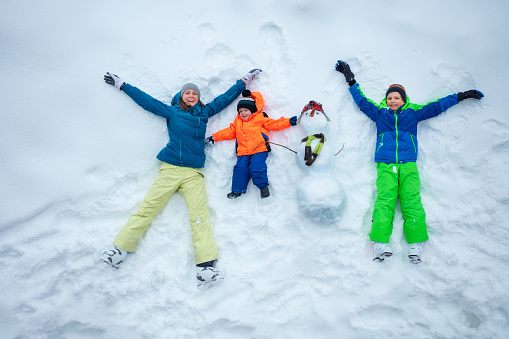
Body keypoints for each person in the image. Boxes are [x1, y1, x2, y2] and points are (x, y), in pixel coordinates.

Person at [100, 68, 262, 287]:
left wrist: (243, 82)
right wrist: (123, 85)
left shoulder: (205, 112)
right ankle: (119, 250)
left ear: (198, 98)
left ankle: (205, 268)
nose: (192, 96)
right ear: (181, 96)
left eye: (194, 93)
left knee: (199, 216)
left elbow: (224, 99)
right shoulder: (173, 112)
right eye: (188, 93)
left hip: (194, 173)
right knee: (148, 208)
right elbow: (147, 101)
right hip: (171, 169)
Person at [335, 60, 484, 264]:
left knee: (412, 201)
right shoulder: (380, 114)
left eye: (396, 97)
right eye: (389, 98)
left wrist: (461, 96)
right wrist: (350, 79)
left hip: (408, 165)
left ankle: (415, 245)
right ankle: (380, 243)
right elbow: (361, 101)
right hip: (386, 164)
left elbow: (437, 106)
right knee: (384, 200)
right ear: (386, 100)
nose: (393, 100)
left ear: (403, 99)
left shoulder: (413, 114)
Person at [205, 90, 297, 199]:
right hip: (243, 151)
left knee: (256, 166)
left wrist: (288, 122)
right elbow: (228, 132)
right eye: (240, 111)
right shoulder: (238, 122)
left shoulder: (260, 118)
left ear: (252, 110)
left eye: (245, 110)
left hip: (259, 149)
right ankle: (237, 190)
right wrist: (214, 137)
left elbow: (274, 124)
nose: (243, 113)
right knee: (240, 168)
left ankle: (263, 187)